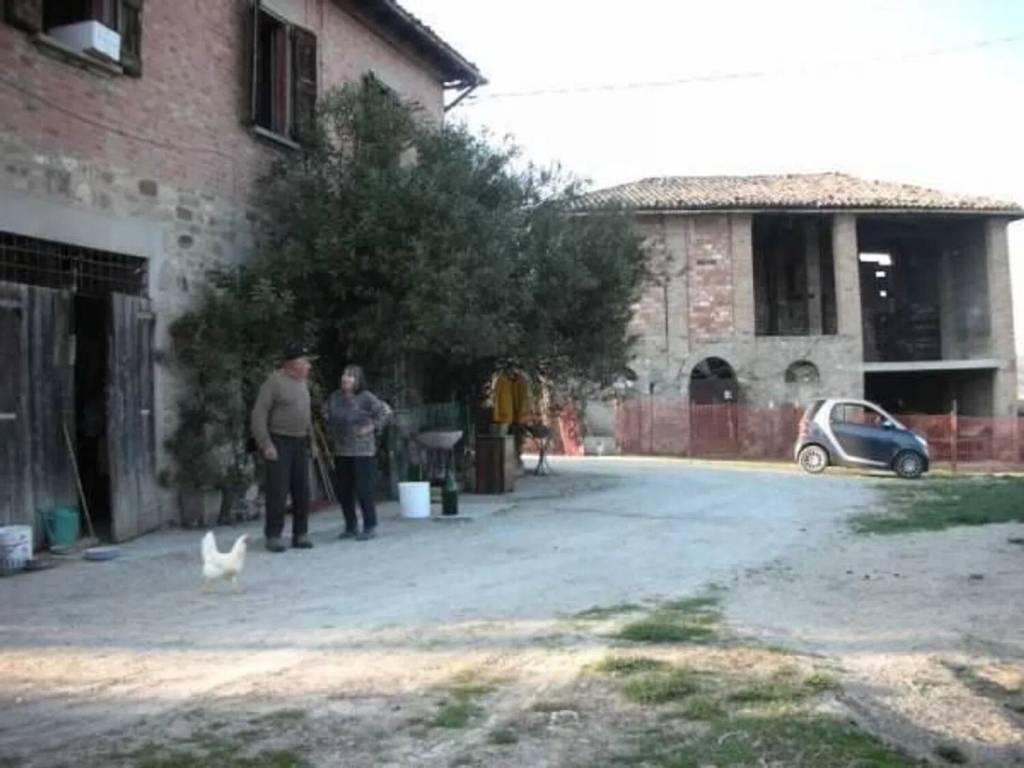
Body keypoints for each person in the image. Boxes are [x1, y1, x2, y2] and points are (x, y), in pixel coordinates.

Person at [250, 343, 316, 552]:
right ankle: (274, 535)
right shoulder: (274, 382)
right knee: (277, 490)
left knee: (302, 489)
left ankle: (300, 533)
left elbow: (306, 414)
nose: (308, 366)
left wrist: (312, 441)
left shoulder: (303, 383)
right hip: (279, 440)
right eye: (304, 362)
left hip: (300, 440)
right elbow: (259, 414)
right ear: (291, 364)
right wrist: (265, 443)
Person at [323, 364, 392, 541]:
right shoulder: (335, 397)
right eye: (344, 374)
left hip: (362, 450)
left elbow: (385, 411)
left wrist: (371, 427)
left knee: (363, 489)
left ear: (358, 380)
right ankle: (350, 525)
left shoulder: (366, 397)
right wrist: (330, 426)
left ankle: (369, 525)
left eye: (350, 375)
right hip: (341, 449)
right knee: (344, 490)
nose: (345, 378)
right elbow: (326, 413)